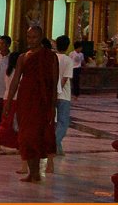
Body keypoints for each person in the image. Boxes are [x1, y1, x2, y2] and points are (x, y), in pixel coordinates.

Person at [4, 26, 58, 183]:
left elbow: (54, 83)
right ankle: (32, 173)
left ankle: (36, 173)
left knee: (37, 136)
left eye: (34, 37)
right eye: (29, 37)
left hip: (42, 102)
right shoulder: (23, 57)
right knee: (26, 137)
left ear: (41, 38)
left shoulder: (50, 57)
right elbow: (15, 80)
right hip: (26, 100)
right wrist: (9, 102)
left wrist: (53, 106)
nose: (31, 40)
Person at [47, 34, 75, 173]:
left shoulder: (52, 58)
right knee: (63, 122)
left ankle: (57, 146)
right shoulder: (68, 60)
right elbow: (64, 79)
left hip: (52, 94)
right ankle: (53, 144)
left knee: (54, 121)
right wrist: (58, 91)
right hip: (63, 95)